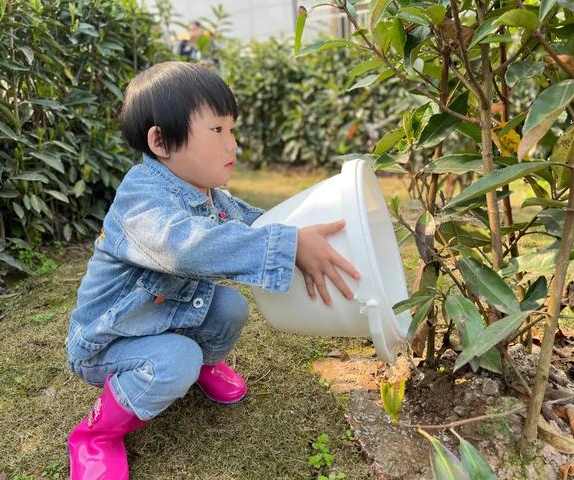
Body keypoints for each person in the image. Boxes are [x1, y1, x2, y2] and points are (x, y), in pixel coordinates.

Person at [65, 61, 361, 479]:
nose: (232, 144)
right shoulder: (140, 201)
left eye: (231, 129)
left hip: (163, 316)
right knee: (176, 358)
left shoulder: (209, 195)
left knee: (229, 308)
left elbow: (252, 223)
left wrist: (298, 232)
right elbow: (184, 249)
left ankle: (202, 365)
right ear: (161, 141)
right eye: (217, 130)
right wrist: (287, 246)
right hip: (109, 340)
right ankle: (95, 435)